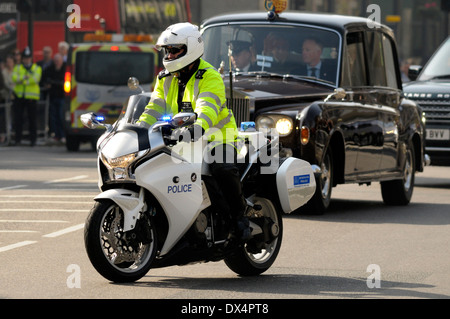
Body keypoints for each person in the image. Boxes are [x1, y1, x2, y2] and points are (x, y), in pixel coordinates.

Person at [138, 22, 251, 241]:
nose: (169, 55)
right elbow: (153, 108)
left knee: (221, 167)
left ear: (191, 48)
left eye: (174, 50)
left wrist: (197, 128)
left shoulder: (210, 76)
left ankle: (239, 218)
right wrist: (139, 129)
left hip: (217, 137)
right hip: (180, 138)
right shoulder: (165, 78)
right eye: (167, 51)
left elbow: (206, 108)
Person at [11, 47, 42, 146]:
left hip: (31, 99)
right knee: (18, 119)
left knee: (32, 120)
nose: (26, 60)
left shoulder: (37, 68)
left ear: (31, 58)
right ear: (22, 58)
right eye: (25, 58)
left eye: (28, 58)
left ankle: (33, 140)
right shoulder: (18, 67)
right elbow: (14, 78)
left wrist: (22, 80)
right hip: (19, 97)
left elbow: (35, 79)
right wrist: (26, 78)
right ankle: (17, 140)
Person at [41, 53, 66, 144]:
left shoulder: (64, 69)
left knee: (60, 116)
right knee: (53, 117)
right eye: (55, 61)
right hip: (52, 97)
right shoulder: (50, 69)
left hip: (61, 97)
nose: (57, 63)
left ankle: (62, 135)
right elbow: (44, 79)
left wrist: (54, 83)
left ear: (62, 61)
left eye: (58, 61)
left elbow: (63, 83)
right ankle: (56, 135)